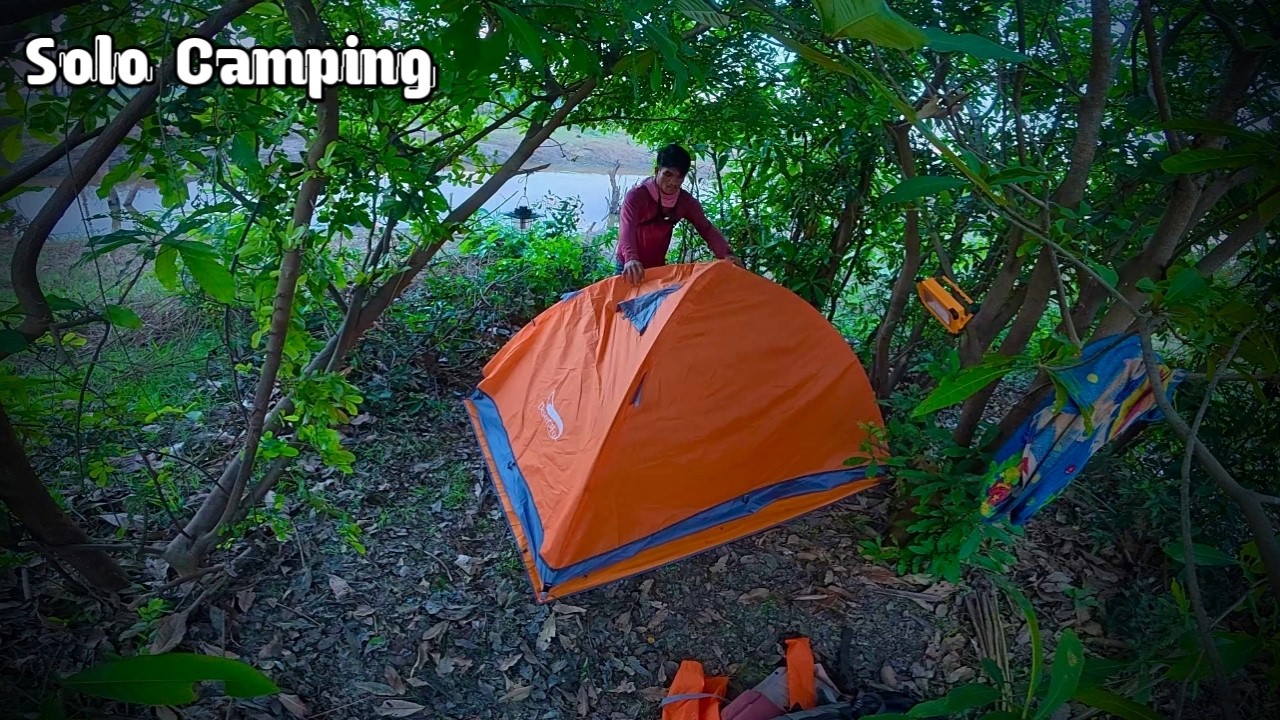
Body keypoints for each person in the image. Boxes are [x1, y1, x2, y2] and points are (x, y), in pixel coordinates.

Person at [615, 143, 743, 284]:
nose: (673, 182)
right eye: (668, 174)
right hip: (628, 265)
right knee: (620, 305)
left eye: (679, 177)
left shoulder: (685, 201)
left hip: (657, 267)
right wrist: (631, 258)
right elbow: (626, 229)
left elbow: (706, 228)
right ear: (657, 170)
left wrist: (726, 254)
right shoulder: (636, 196)